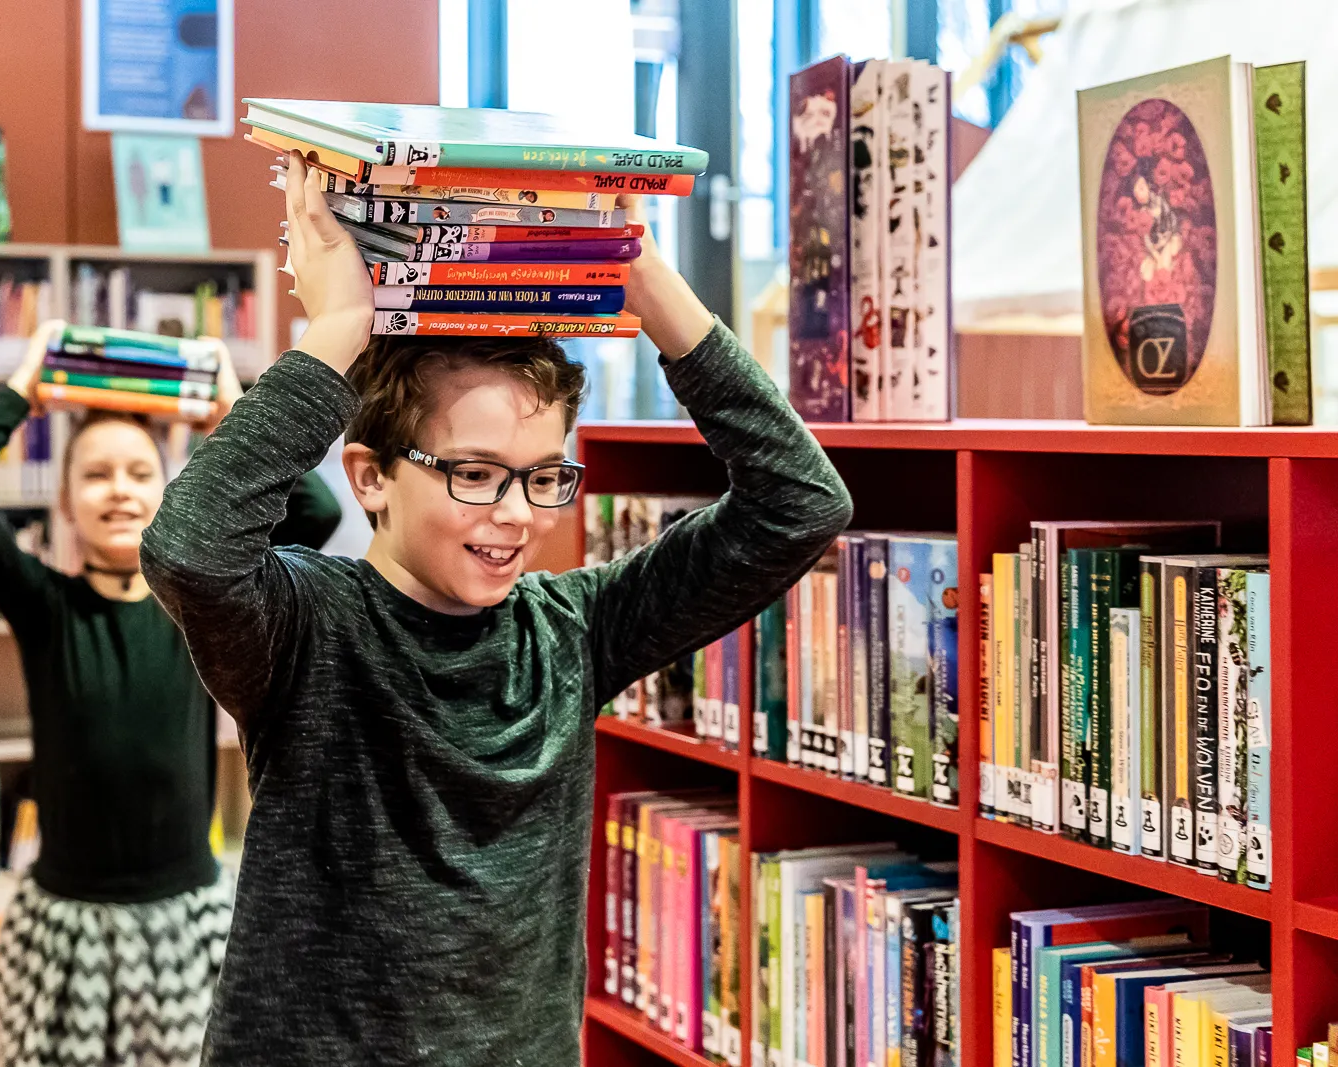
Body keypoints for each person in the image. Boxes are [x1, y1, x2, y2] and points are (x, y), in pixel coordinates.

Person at [140, 152, 854, 1066]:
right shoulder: (307, 627)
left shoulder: (576, 629)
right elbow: (189, 548)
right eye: (474, 475)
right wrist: (342, 327)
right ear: (372, 480)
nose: (517, 515)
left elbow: (802, 504)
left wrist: (653, 288)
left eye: (545, 477)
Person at [0, 321, 343, 1067]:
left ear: (172, 492)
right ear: (65, 502)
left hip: (182, 914)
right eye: (95, 475)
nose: (118, 490)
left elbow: (316, 513)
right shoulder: (43, 604)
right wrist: (28, 382)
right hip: (66, 919)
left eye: (139, 473)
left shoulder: (203, 600)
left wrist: (230, 405)